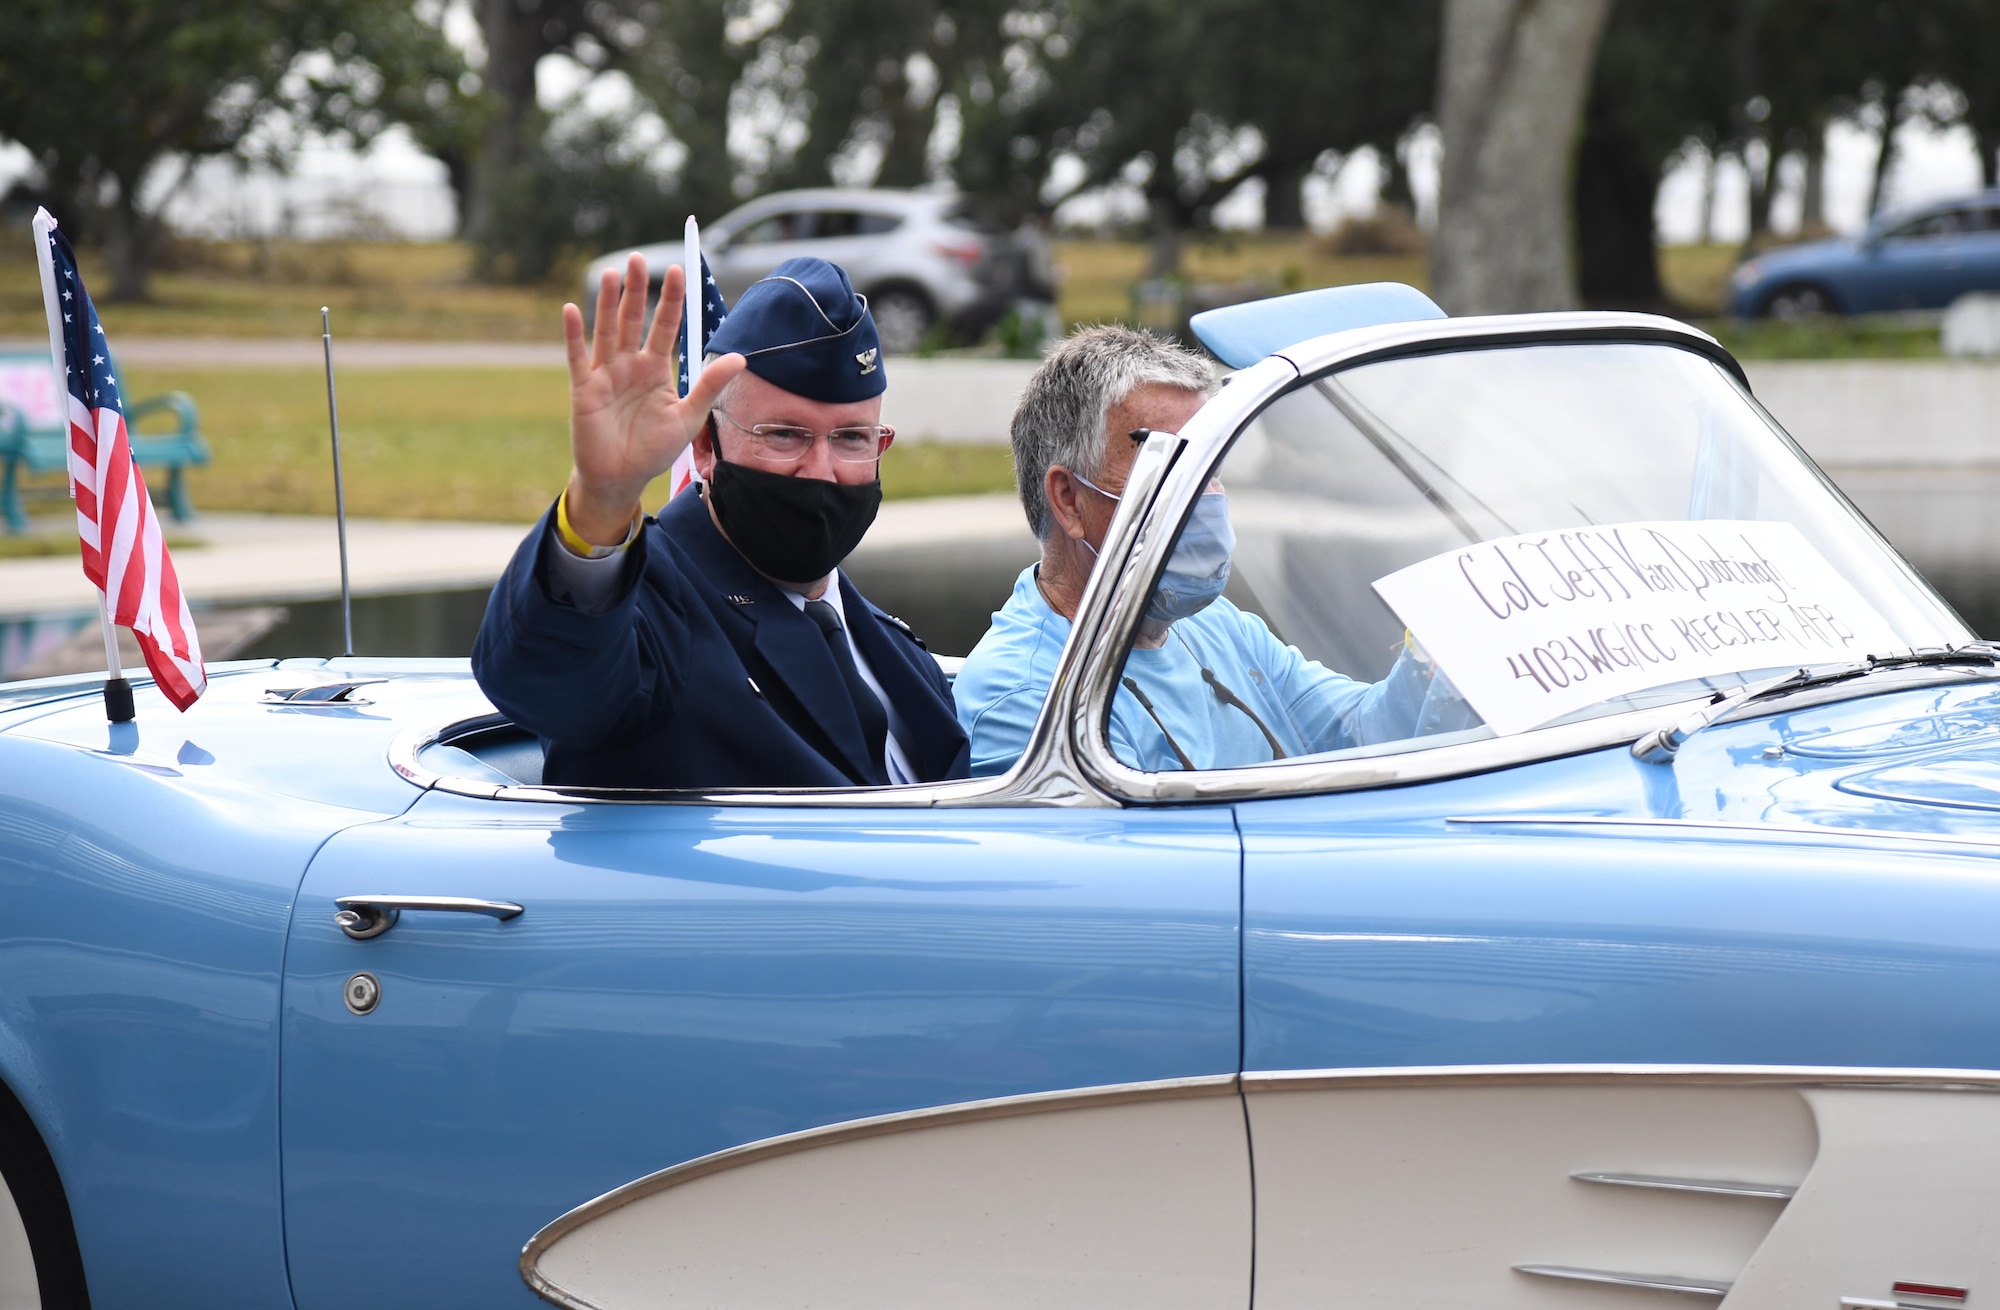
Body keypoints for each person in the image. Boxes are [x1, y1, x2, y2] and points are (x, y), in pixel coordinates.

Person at [473, 253, 970, 789]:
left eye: (852, 438)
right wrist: (603, 499)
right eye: (784, 434)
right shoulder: (659, 610)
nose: (822, 472)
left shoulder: (895, 653)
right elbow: (549, 680)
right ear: (706, 445)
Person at [953, 326, 1471, 777]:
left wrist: (1440, 649)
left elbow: (1359, 736)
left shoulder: (1217, 627)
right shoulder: (1028, 700)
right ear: (1069, 499)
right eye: (1170, 464)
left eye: (1208, 462)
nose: (1204, 493)